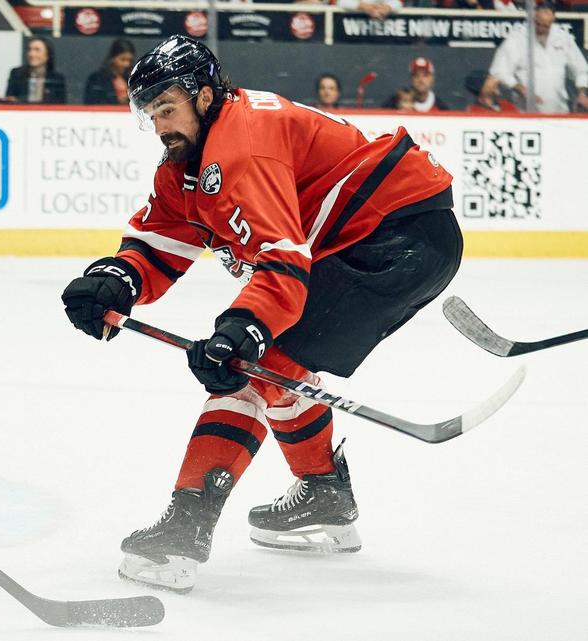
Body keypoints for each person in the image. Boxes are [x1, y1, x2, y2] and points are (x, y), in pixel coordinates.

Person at [61, 35, 460, 594]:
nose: (159, 125)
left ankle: (184, 533)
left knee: (252, 364)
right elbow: (160, 241)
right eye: (150, 113)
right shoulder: (190, 159)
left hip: (392, 237)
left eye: (167, 108)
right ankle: (324, 495)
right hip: (379, 234)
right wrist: (116, 280)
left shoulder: (242, 145)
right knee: (274, 365)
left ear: (203, 96)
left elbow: (282, 261)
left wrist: (243, 328)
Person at [489, 4, 588, 113]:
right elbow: (499, 71)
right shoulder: (517, 38)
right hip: (525, 112)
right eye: (538, 24)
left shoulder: (563, 38)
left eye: (546, 26)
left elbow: (581, 70)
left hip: (558, 111)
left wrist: (582, 94)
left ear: (552, 22)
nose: (541, 29)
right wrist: (520, 88)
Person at [5, 36, 66, 104]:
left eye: (37, 50)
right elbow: (9, 100)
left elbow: (60, 103)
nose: (31, 54)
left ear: (48, 54)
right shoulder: (16, 74)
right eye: (29, 50)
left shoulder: (56, 78)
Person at [383, 57, 449, 111]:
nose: (421, 80)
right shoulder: (395, 102)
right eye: (416, 75)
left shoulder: (440, 107)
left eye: (425, 75)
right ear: (411, 79)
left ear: (432, 78)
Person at [84, 38, 136, 105]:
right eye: (123, 59)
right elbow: (92, 102)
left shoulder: (132, 79)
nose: (127, 64)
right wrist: (116, 100)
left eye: (130, 60)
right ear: (112, 58)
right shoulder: (97, 80)